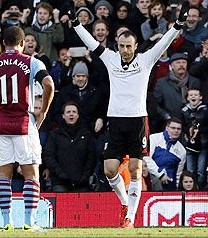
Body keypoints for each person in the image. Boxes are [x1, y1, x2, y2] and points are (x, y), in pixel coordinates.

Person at [68, 0, 191, 228]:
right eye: (122, 45)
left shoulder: (146, 60)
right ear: (118, 45)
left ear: (135, 47)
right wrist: (75, 23)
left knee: (135, 170)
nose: (125, 50)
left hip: (137, 121)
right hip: (115, 121)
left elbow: (165, 41)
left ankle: (129, 218)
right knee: (110, 170)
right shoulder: (110, 58)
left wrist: (179, 23)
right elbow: (92, 42)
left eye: (129, 46)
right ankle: (125, 203)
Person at [0, 26, 54, 232]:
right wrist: (43, 112)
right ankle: (29, 222)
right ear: (22, 43)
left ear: (4, 43)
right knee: (31, 174)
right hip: (24, 123)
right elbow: (48, 83)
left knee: (4, 174)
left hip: (1, 125)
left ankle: (6, 221)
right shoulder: (32, 62)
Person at [44, 101, 96, 192]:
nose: (71, 114)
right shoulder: (55, 134)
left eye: (74, 112)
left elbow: (91, 157)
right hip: (60, 182)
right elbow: (49, 156)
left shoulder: (87, 134)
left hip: (82, 183)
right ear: (63, 116)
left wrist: (85, 176)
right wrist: (61, 174)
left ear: (78, 115)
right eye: (68, 112)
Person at [143, 117, 186, 191]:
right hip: (150, 184)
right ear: (167, 128)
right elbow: (146, 158)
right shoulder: (154, 138)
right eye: (173, 128)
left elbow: (178, 174)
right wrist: (160, 175)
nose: (176, 131)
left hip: (170, 187)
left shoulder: (182, 150)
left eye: (178, 129)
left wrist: (177, 190)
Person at [181, 88, 208, 189]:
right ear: (187, 98)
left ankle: (200, 191)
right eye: (191, 95)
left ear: (200, 97)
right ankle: (191, 191)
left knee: (201, 171)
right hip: (190, 145)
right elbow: (182, 126)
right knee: (190, 171)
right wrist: (188, 130)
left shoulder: (206, 110)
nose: (193, 96)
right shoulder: (184, 111)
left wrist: (199, 130)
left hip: (203, 144)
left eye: (195, 95)